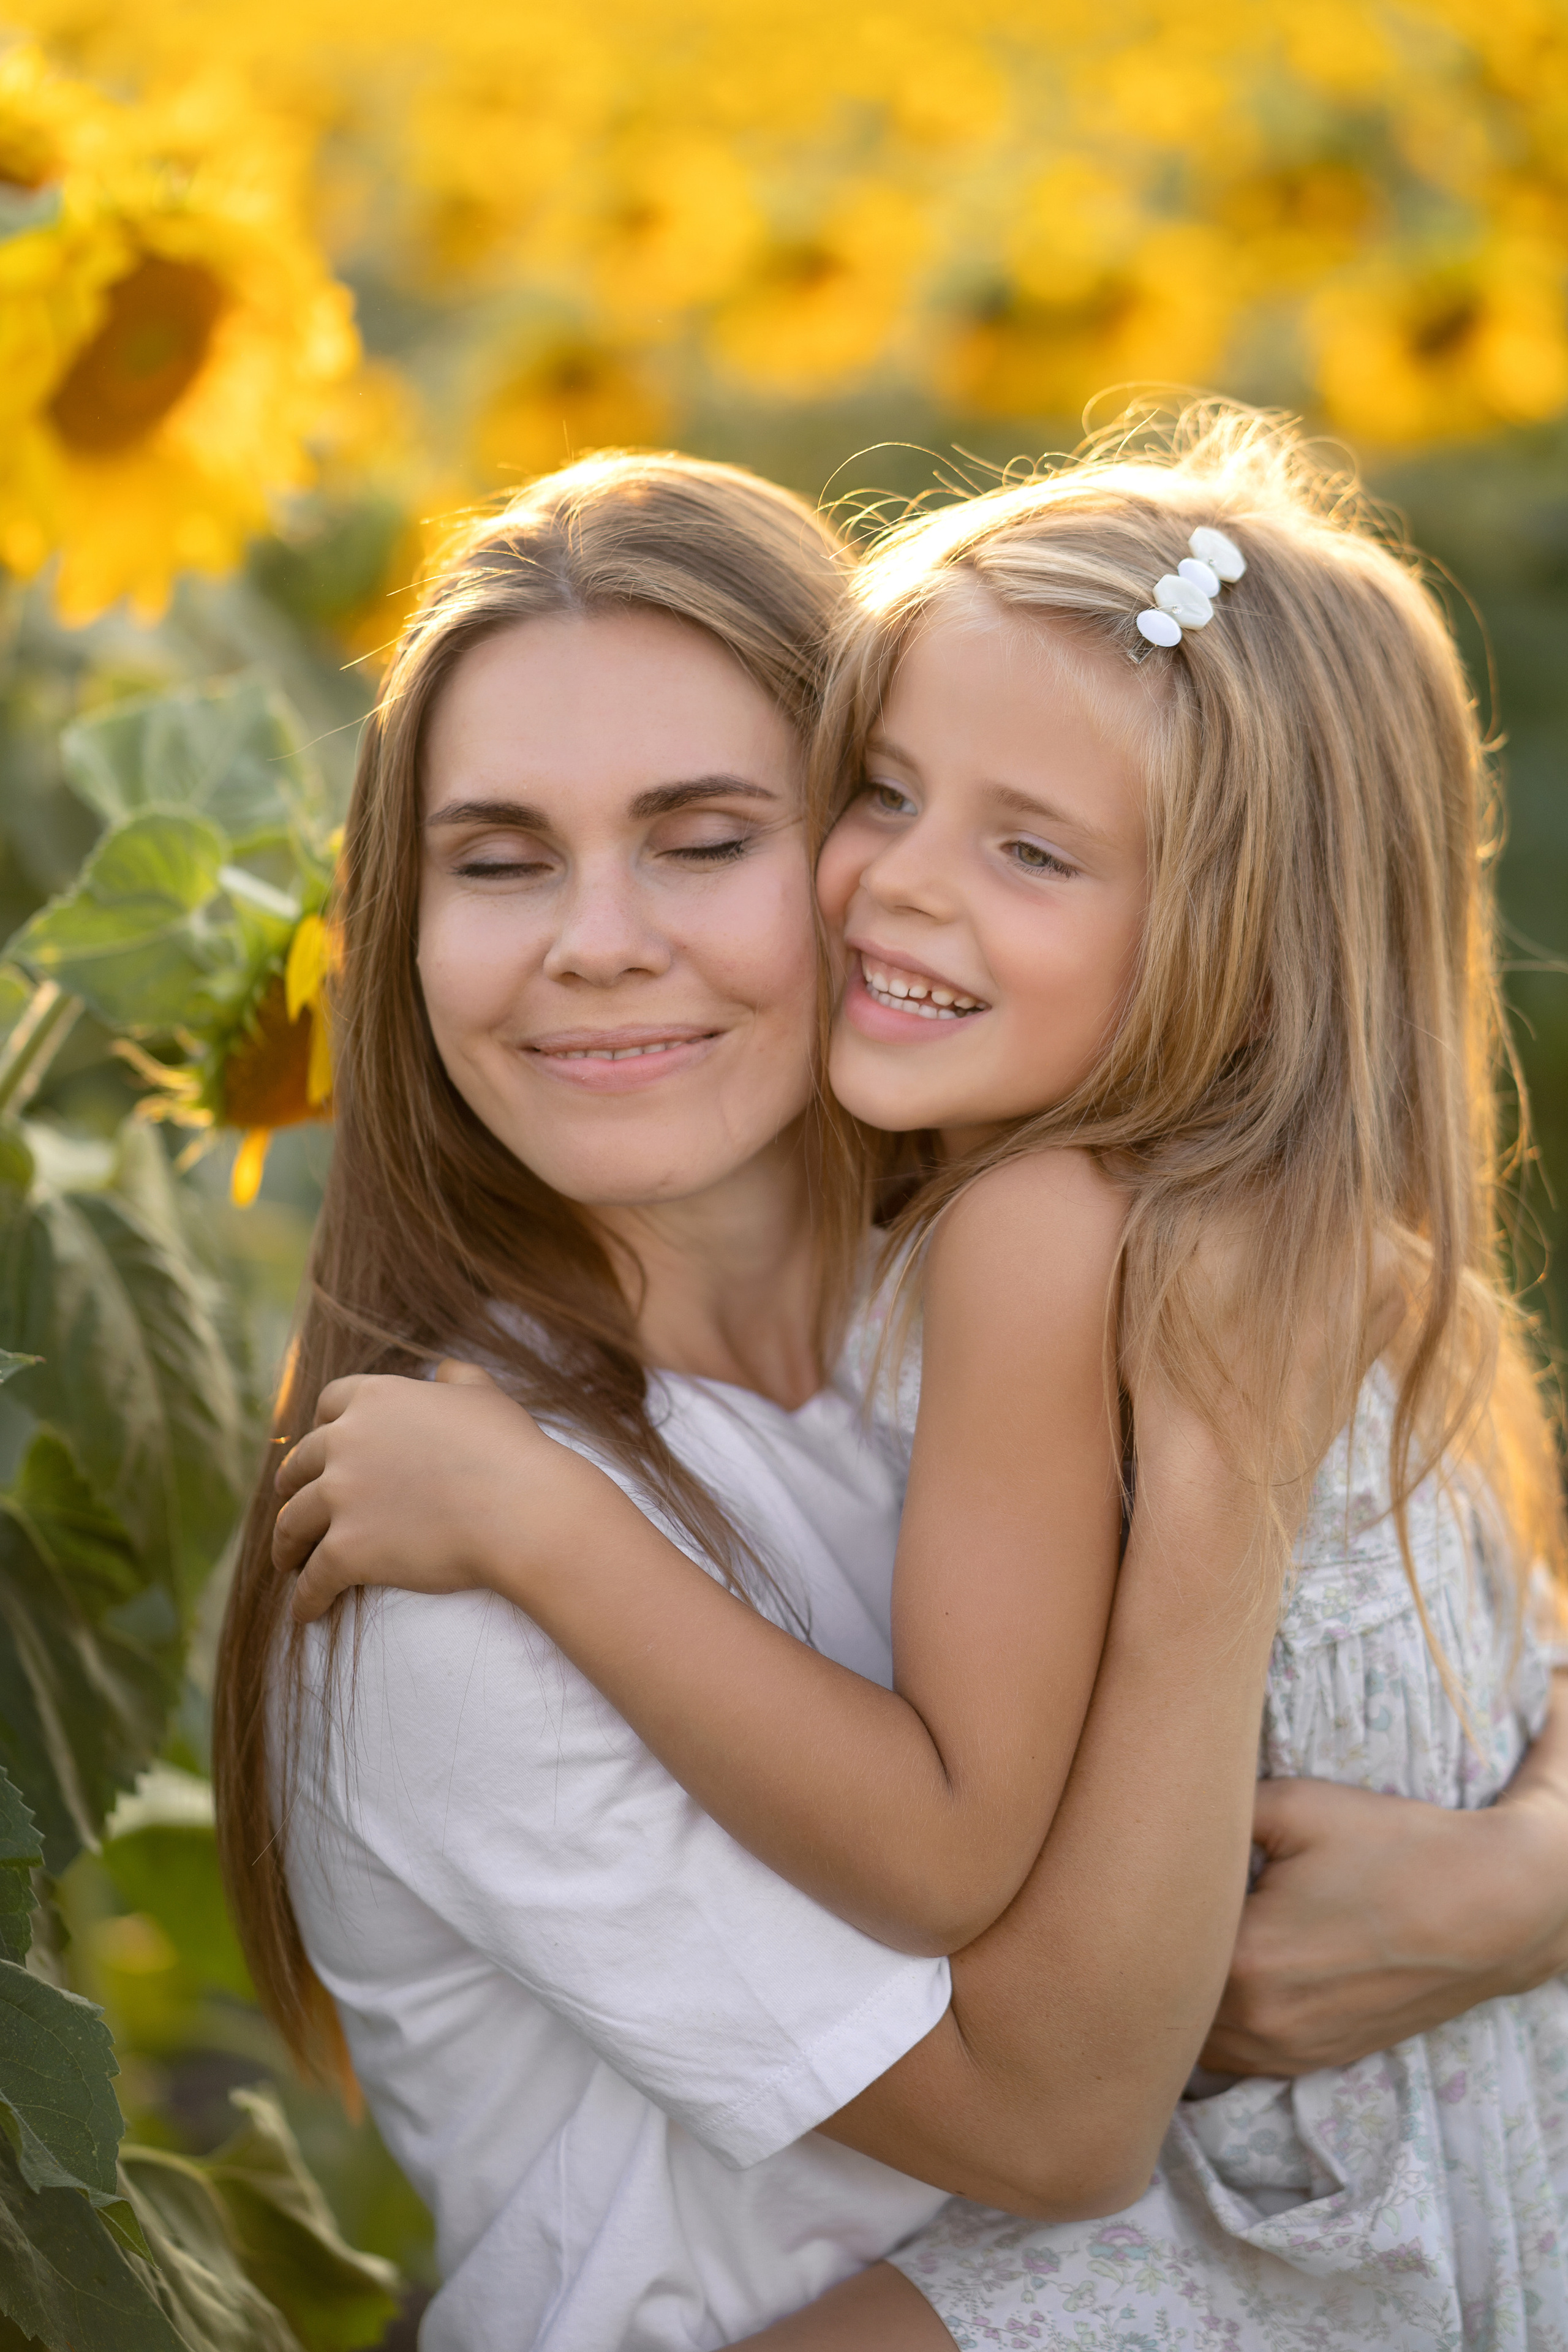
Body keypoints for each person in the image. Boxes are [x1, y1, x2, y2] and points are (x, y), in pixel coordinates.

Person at [223, 443, 1568, 2352]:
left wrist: (1531, 1876)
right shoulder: (441, 1562)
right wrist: (1218, 1506)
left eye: (707, 835)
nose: (599, 937)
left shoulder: (1006, 1284)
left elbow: (1483, 1604)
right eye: (497, 857)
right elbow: (1067, 2120)